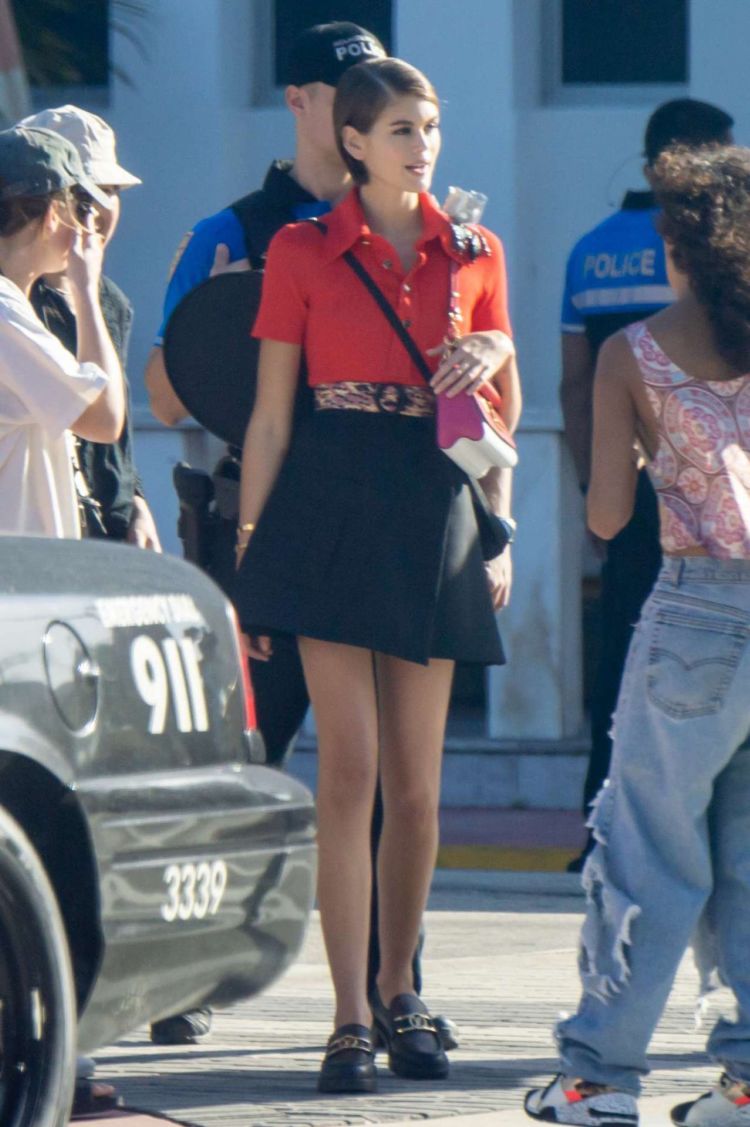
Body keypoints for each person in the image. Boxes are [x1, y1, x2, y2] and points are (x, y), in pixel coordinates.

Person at [144, 21, 461, 1051]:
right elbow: (167, 393)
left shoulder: (445, 231)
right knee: (242, 760)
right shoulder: (240, 231)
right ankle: (191, 968)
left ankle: (392, 988)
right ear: (305, 101)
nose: (370, 101)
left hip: (402, 515)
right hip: (276, 517)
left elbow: (478, 400)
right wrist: (224, 314)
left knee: (395, 781)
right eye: (344, 85)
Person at [235, 57, 521, 1093]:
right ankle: (348, 1015)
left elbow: (503, 416)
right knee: (347, 772)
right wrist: (251, 557)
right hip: (328, 501)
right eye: (402, 128)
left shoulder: (476, 248)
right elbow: (272, 416)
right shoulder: (301, 248)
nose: (422, 144)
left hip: (436, 504)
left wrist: (501, 524)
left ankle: (402, 990)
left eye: (430, 126)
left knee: (417, 784)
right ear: (353, 141)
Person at [525, 143, 750, 1127]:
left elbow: (608, 515)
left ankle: (598, 1078)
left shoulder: (634, 351)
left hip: (695, 611)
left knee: (647, 852)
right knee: (746, 860)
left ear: (678, 243)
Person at [560, 98, 734, 866]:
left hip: (641, 511)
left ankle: (599, 832)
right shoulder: (729, 257)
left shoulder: (590, 253)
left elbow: (574, 386)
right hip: (728, 520)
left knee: (625, 672)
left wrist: (593, 482)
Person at [19, 104, 160, 552]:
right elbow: (93, 419)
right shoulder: (14, 301)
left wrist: (136, 501)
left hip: (107, 534)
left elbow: (114, 430)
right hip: (37, 532)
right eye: (80, 194)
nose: (94, 211)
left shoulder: (109, 299)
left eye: (109, 191)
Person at [0, 125, 124, 536]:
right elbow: (104, 419)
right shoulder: (5, 312)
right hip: (19, 569)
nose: (88, 226)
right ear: (53, 214)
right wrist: (86, 291)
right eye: (80, 206)